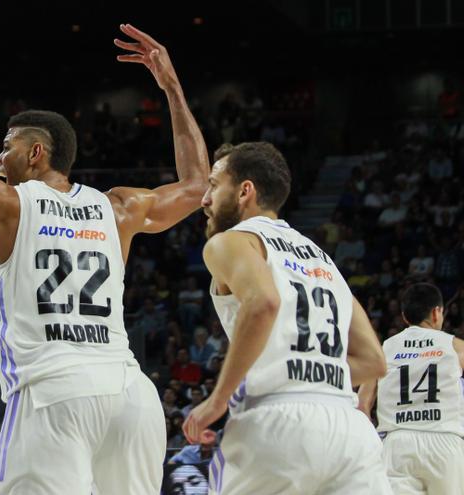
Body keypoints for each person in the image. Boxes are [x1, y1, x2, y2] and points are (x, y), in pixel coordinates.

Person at [0, 24, 209, 494]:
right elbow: (197, 187)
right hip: (131, 394)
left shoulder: (7, 203)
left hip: (53, 395)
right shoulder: (120, 207)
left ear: (35, 153)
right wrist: (171, 86)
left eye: (6, 148)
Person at [183, 141, 391, 494]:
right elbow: (374, 361)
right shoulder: (323, 260)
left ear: (245, 191)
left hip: (276, 423)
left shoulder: (231, 241)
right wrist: (308, 370)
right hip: (349, 431)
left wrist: (218, 399)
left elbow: (263, 302)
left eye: (215, 186)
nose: (204, 199)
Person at [358, 283, 464, 494]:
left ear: (405, 317)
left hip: (398, 443)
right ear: (437, 312)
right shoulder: (455, 346)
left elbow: (362, 405)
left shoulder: (384, 349)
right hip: (445, 441)